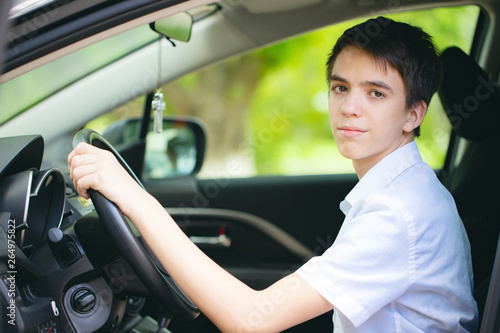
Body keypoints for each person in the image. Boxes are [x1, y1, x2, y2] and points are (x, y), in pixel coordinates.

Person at [68, 17, 478, 333]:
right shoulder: (402, 192)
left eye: (375, 93)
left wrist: (136, 200)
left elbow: (251, 321)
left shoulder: (400, 213)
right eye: (340, 87)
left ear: (414, 114)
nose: (350, 107)